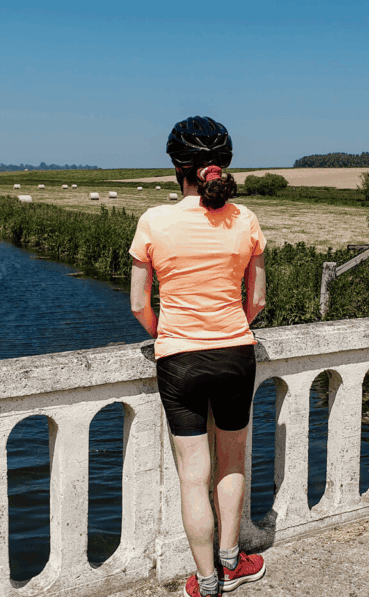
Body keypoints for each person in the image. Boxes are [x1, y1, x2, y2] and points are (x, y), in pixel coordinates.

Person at [129, 116, 268, 597]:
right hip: (235, 354)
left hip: (179, 360)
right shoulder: (244, 219)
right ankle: (234, 561)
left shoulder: (154, 221)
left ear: (177, 168)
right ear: (221, 166)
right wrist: (229, 328)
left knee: (193, 477)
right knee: (231, 463)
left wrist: (167, 335)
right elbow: (257, 301)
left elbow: (138, 304)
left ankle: (206, 581)